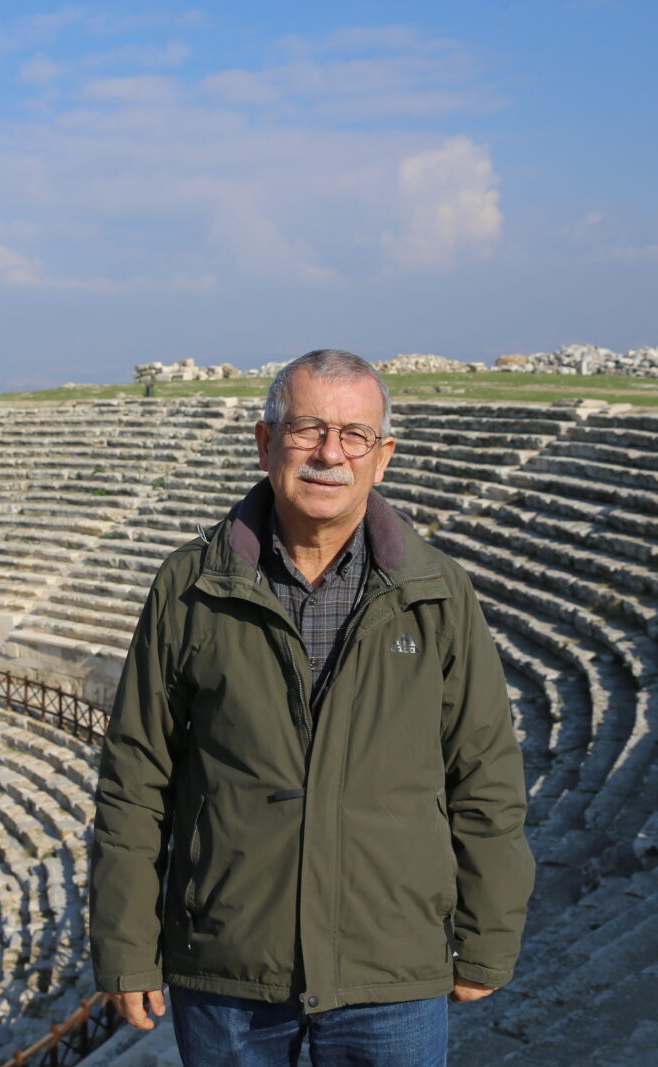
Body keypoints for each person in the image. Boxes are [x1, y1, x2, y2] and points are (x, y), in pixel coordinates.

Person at [89, 349, 534, 1066]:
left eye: (355, 434)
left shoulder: (437, 594)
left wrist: (488, 934)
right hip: (228, 962)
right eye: (306, 429)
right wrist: (124, 945)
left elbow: (483, 775)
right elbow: (136, 781)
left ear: (382, 455)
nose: (330, 453)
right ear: (265, 443)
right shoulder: (190, 586)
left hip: (389, 966)